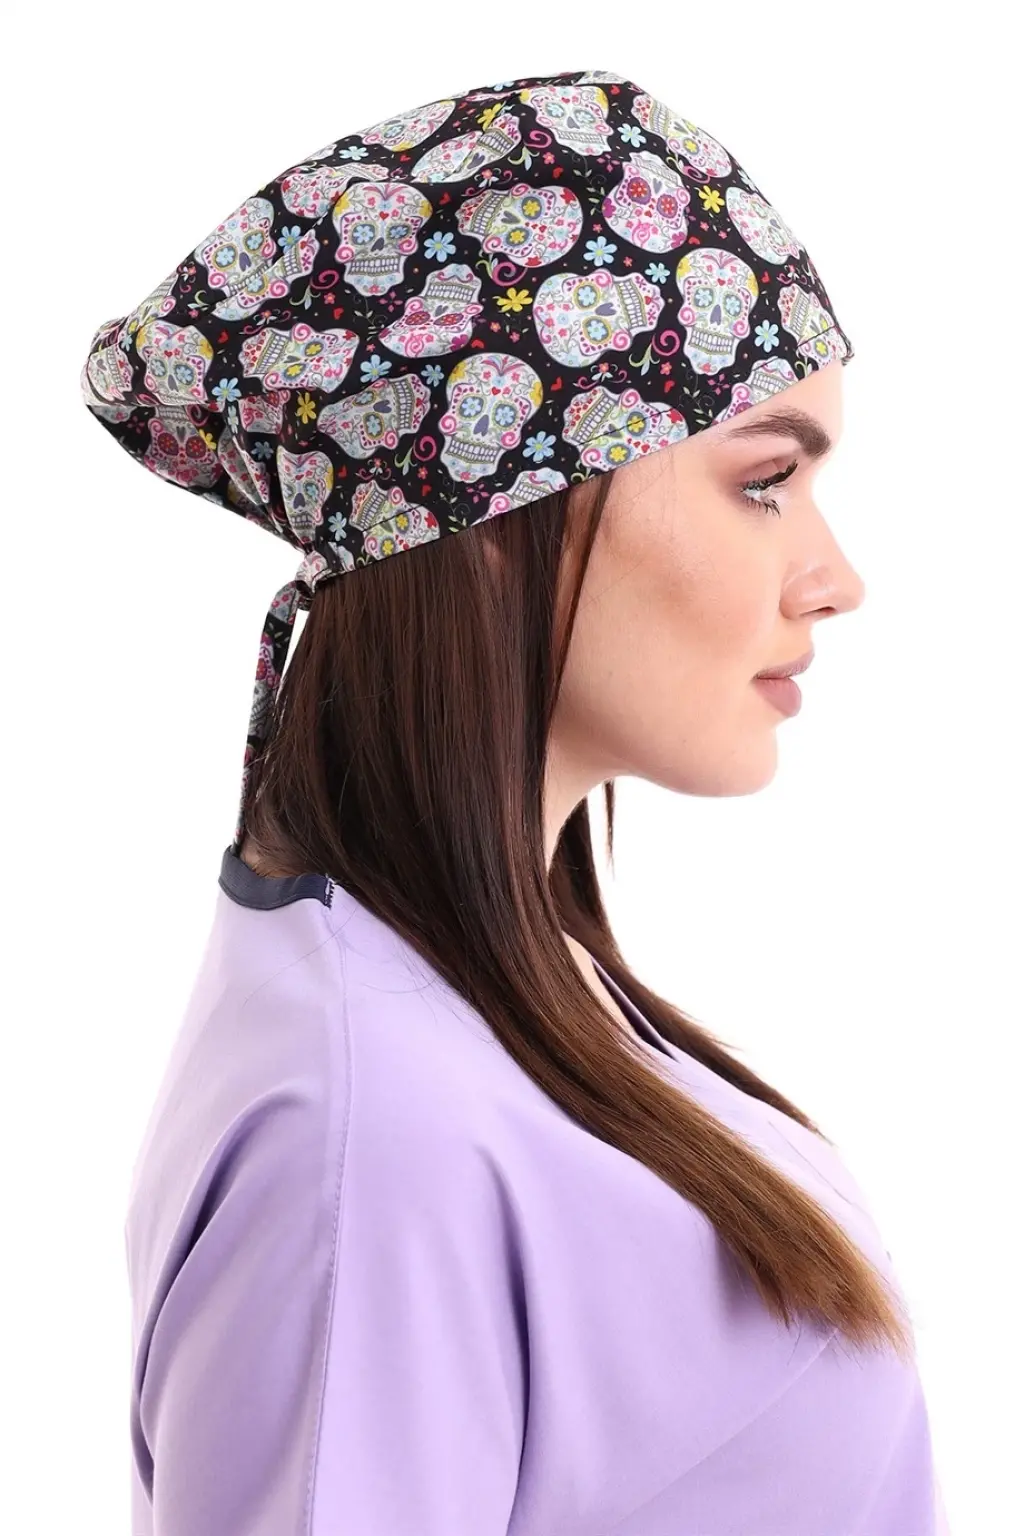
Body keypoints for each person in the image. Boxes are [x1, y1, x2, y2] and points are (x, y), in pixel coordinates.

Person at [83, 66, 950, 1534]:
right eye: (763, 483)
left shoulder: (480, 1002)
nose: (835, 578)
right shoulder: (373, 1137)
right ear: (496, 515)